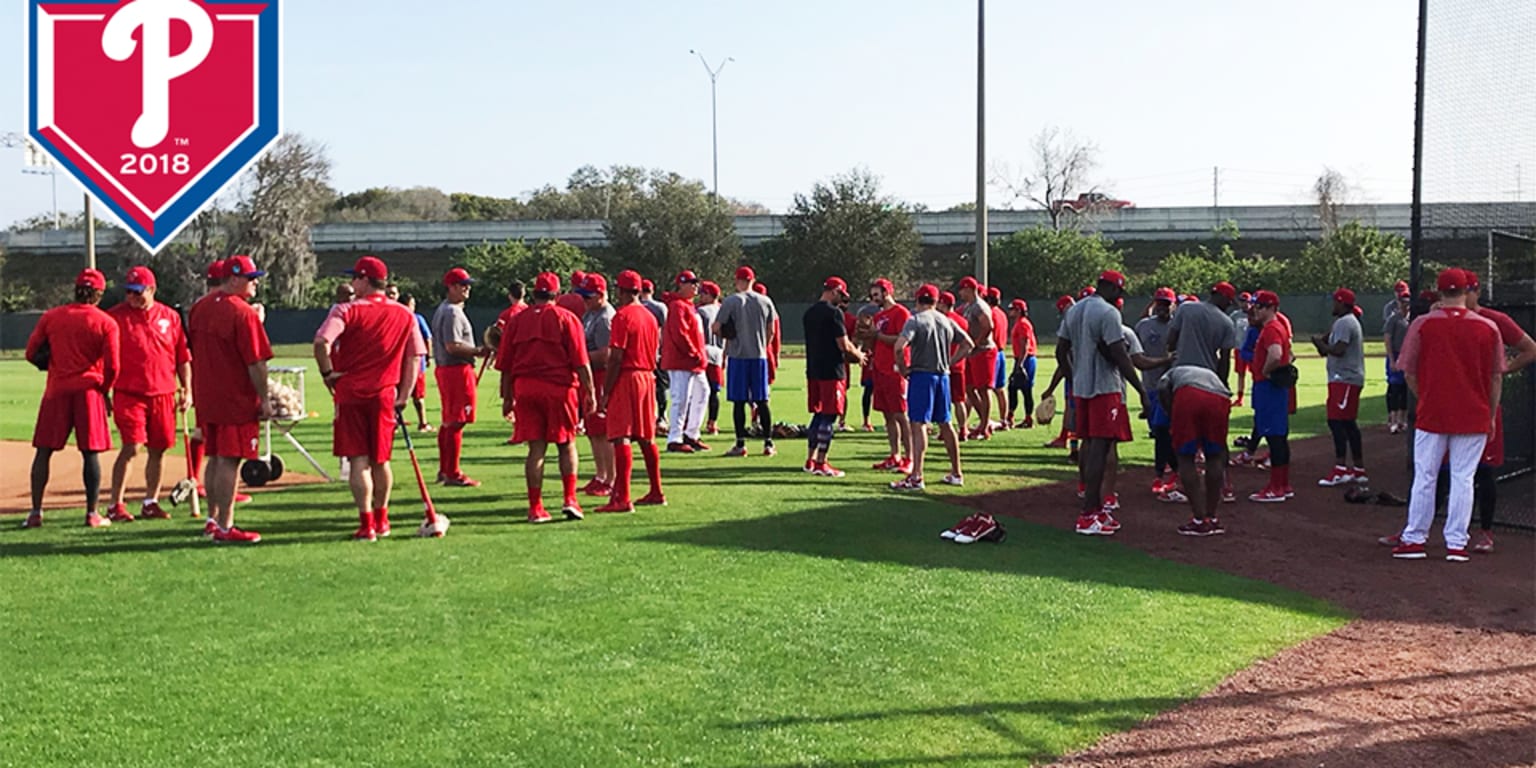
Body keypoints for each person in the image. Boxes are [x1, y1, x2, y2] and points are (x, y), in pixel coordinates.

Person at [1389, 269, 1504, 562]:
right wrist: (1490, 414)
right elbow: (1495, 378)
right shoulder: (1487, 327)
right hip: (1473, 412)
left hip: (1433, 412)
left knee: (1425, 476)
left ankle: (1415, 538)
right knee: (1464, 478)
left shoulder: (1424, 324)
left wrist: (1426, 396)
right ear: (1467, 291)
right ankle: (1456, 543)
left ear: (1440, 293)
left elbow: (1408, 371)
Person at [314, 256, 429, 541]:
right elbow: (415, 356)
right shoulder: (404, 314)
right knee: (381, 460)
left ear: (365, 280)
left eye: (355, 278)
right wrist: (404, 395)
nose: (353, 283)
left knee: (358, 461)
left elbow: (321, 342)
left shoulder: (346, 310)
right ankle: (383, 519)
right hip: (385, 394)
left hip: (351, 392)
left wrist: (328, 373)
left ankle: (366, 524)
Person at [21, 268, 121, 529]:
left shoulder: (52, 317)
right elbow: (113, 366)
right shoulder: (106, 322)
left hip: (57, 390)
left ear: (75, 290)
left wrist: (49, 362)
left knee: (44, 451)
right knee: (90, 453)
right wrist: (105, 388)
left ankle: (35, 512)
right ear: (99, 294)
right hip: (89, 390)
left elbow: (31, 352)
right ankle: (92, 513)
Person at [499, 271, 596, 523]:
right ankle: (570, 499)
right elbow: (581, 362)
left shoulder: (517, 321)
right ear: (558, 294)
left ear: (533, 294)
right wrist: (591, 392)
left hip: (526, 389)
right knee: (566, 444)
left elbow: (506, 365)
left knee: (536, 449)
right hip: (559, 389)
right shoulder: (567, 318)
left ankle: (535, 507)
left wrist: (507, 397)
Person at [1056, 270, 1147, 535]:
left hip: (1082, 388)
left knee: (1090, 444)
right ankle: (1088, 513)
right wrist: (1140, 389)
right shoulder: (1108, 313)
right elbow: (1120, 354)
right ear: (1111, 288)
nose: (1120, 296)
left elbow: (1061, 350)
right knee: (1100, 448)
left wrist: (1074, 375)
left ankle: (1093, 508)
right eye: (1119, 290)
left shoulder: (1074, 310)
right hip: (1105, 388)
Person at [188, 255, 271, 544]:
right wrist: (265, 398)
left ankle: (212, 520)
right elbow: (256, 362)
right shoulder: (243, 313)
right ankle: (226, 525)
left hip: (207, 394)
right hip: (235, 396)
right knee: (230, 460)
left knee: (214, 458)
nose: (255, 282)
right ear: (234, 278)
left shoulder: (199, 308)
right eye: (251, 278)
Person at [100, 266, 190, 523]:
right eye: (128, 292)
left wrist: (187, 390)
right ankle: (115, 504)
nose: (132, 297)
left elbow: (183, 357)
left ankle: (150, 501)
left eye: (137, 292)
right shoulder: (115, 318)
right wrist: (103, 390)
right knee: (132, 446)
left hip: (163, 392)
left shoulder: (170, 317)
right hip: (129, 392)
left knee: (159, 448)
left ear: (151, 290)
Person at [1462, 269, 1536, 553]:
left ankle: (1486, 531)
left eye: (1467, 290)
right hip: (1451, 404)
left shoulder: (1494, 320)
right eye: (1457, 291)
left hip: (1483, 404)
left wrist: (1503, 370)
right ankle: (1428, 527)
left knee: (1485, 471)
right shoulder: (1442, 319)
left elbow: (1530, 349)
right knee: (1441, 471)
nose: (1463, 296)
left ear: (1476, 292)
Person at [891, 284, 973, 491]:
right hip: (942, 376)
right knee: (946, 423)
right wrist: (951, 362)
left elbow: (899, 346)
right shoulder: (946, 320)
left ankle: (917, 475)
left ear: (917, 300)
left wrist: (903, 369)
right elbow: (968, 344)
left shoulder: (915, 320)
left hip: (921, 375)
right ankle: (956, 472)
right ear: (936, 302)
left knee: (918, 424)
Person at [598, 270, 666, 512]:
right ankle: (656, 490)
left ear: (621, 291)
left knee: (621, 435)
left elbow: (616, 356)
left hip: (628, 377)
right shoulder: (650, 317)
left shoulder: (622, 316)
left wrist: (606, 392)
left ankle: (623, 498)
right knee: (647, 437)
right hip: (648, 378)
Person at [1158, 365, 1233, 537]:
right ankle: (1212, 516)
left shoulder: (1170, 374)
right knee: (1214, 456)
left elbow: (1163, 387)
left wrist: (1171, 413)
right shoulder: (1201, 372)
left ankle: (1199, 519)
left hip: (1189, 396)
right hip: (1219, 397)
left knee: (1185, 457)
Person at [712, 266, 779, 457]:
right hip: (759, 356)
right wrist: (762, 346)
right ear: (753, 280)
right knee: (762, 401)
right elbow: (771, 330)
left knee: (739, 402)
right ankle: (768, 443)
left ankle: (740, 444)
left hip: (738, 356)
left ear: (737, 280)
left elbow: (716, 327)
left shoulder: (732, 301)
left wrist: (728, 334)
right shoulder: (765, 301)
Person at [431, 267, 489, 487]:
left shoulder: (444, 309)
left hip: (447, 369)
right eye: (462, 285)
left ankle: (445, 469)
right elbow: (453, 346)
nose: (467, 288)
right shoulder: (453, 312)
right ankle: (453, 472)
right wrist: (479, 351)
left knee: (448, 422)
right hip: (456, 369)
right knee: (456, 421)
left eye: (468, 284)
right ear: (451, 287)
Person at [802, 277, 865, 477]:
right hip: (832, 370)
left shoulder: (809, 313)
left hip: (813, 369)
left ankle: (810, 459)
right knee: (829, 415)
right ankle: (822, 462)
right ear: (835, 291)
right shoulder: (834, 313)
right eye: (841, 295)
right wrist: (859, 355)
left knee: (818, 414)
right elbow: (843, 345)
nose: (842, 301)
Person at [1312, 287, 1368, 487]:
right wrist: (1321, 343)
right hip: (1345, 378)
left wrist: (1321, 344)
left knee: (1337, 422)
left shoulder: (1345, 322)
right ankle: (1358, 469)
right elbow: (1327, 346)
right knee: (1348, 423)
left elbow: (1338, 350)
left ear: (1342, 303)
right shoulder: (1343, 322)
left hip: (1344, 378)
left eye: (1336, 301)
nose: (1333, 305)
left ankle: (1340, 469)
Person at [1246, 291, 1295, 503]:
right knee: (1279, 437)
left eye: (1260, 306)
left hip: (1269, 387)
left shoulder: (1271, 329)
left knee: (1274, 438)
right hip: (1275, 388)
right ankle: (1282, 484)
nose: (1256, 310)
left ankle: (1276, 487)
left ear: (1270, 308)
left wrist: (1265, 371)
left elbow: (1275, 355)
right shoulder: (1277, 328)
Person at [863, 278, 913, 473]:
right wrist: (866, 340)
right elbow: (875, 342)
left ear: (887, 292)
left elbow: (903, 339)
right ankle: (895, 455)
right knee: (887, 415)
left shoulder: (901, 312)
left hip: (895, 370)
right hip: (880, 368)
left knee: (901, 414)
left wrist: (878, 336)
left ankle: (909, 458)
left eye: (876, 294)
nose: (873, 298)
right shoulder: (878, 316)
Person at [577, 274, 617, 497]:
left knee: (603, 429)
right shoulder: (590, 314)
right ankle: (600, 474)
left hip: (601, 375)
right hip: (591, 376)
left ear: (601, 294)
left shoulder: (604, 318)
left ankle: (610, 478)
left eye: (588, 296)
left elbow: (605, 355)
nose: (585, 301)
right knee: (593, 429)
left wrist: (579, 357)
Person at [662, 271, 710, 453]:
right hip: (681, 360)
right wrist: (693, 352)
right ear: (681, 285)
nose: (695, 286)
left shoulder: (688, 306)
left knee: (702, 393)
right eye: (691, 283)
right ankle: (675, 437)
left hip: (693, 361)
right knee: (680, 399)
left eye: (696, 283)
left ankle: (691, 434)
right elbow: (679, 333)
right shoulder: (677, 306)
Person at [1136, 288, 1178, 497]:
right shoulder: (1144, 326)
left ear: (1174, 305)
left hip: (1172, 388)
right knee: (1158, 431)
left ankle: (1163, 473)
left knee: (1164, 430)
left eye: (1166, 303)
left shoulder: (1178, 326)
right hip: (1150, 386)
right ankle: (1176, 469)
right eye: (1159, 303)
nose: (1163, 307)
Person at [486, 280, 528, 444]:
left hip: (512, 360)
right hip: (527, 359)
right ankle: (525, 431)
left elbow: (497, 339)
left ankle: (518, 433)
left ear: (510, 295)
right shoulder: (529, 311)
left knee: (512, 398)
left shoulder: (506, 314)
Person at [955, 277, 996, 440]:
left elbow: (988, 326)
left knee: (984, 389)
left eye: (962, 289)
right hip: (973, 353)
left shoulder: (979, 306)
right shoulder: (967, 306)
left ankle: (984, 426)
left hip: (983, 351)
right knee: (970, 388)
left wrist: (976, 343)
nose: (960, 293)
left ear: (970, 289)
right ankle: (983, 422)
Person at [937, 292, 971, 439]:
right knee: (959, 400)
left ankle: (945, 430)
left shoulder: (942, 320)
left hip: (944, 364)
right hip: (959, 364)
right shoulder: (962, 320)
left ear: (943, 304)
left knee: (943, 401)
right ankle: (963, 429)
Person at [695, 281, 726, 435]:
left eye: (703, 293)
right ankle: (712, 423)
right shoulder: (723, 310)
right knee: (714, 391)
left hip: (704, 351)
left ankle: (692, 424)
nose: (700, 296)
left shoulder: (701, 311)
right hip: (719, 353)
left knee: (698, 391)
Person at [640, 278, 669, 424]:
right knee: (661, 386)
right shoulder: (659, 307)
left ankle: (645, 416)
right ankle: (662, 417)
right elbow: (665, 330)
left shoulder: (635, 306)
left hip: (639, 353)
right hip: (655, 351)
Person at [1383, 290, 1412, 434]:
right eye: (1403, 302)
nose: (1405, 305)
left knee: (1405, 389)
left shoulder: (1411, 319)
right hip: (1395, 354)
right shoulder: (1394, 319)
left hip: (1407, 355)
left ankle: (1403, 419)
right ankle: (1393, 420)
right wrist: (1392, 360)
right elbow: (1388, 339)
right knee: (1394, 388)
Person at [1006, 299, 1037, 430]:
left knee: (1025, 389)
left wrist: (1020, 364)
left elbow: (1025, 345)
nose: (1010, 312)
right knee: (1013, 388)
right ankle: (1013, 416)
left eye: (1012, 309)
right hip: (1022, 359)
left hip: (1025, 359)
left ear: (1018, 310)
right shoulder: (1019, 323)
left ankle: (1027, 418)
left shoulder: (1023, 324)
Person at [984, 286, 1010, 430]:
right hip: (1001, 352)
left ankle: (986, 421)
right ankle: (1004, 420)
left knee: (986, 388)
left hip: (992, 353)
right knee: (1000, 389)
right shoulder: (1002, 313)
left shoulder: (990, 313)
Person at [1229, 292, 1252, 406]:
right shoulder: (1235, 315)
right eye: (1242, 301)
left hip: (1252, 349)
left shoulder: (1255, 314)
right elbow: (1230, 329)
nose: (1244, 304)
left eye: (1246, 301)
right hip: (1239, 348)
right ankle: (1240, 398)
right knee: (1240, 374)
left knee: (1255, 372)